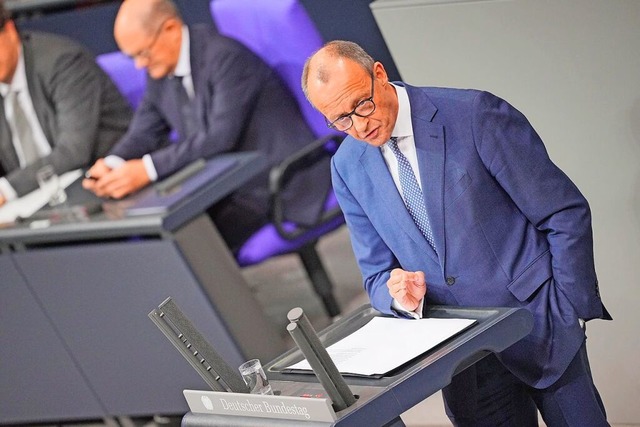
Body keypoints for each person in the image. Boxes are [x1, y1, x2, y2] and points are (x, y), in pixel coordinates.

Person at [302, 40, 611, 426]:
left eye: (362, 105)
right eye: (340, 120)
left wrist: (570, 309)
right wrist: (400, 296)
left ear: (379, 75)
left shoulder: (473, 115)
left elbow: (563, 213)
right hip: (461, 359)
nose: (359, 125)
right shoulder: (347, 166)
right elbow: (377, 276)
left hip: (540, 326)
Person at [83, 0, 330, 252]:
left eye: (142, 53)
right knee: (157, 233)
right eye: (132, 57)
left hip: (277, 181)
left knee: (188, 241)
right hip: (229, 183)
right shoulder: (159, 68)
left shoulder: (226, 58)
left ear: (170, 29)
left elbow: (218, 139)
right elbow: (144, 130)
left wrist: (147, 169)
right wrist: (113, 162)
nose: (139, 64)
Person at [0, 1, 132, 207]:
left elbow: (74, 151)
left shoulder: (62, 61)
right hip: (34, 206)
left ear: (9, 29)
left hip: (102, 187)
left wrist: (6, 189)